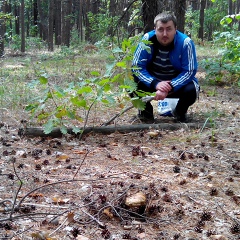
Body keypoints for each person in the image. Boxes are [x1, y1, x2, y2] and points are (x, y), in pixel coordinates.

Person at [131, 12, 200, 123]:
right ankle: (146, 113)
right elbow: (136, 67)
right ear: (155, 29)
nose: (164, 34)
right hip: (152, 82)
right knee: (131, 82)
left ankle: (180, 112)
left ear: (175, 29)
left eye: (169, 29)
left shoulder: (185, 43)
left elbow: (190, 71)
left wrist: (170, 86)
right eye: (160, 29)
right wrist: (156, 84)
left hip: (176, 84)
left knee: (192, 89)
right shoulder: (147, 39)